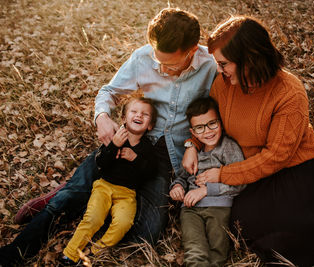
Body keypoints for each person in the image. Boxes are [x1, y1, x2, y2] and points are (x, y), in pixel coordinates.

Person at [0, 7, 217, 266]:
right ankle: (19, 246)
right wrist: (102, 117)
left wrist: (193, 143)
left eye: (169, 65)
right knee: (67, 199)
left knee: (146, 233)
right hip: (129, 141)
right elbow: (109, 92)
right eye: (157, 61)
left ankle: (85, 200)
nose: (161, 67)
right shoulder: (143, 57)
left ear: (192, 51)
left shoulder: (210, 66)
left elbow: (214, 117)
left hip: (164, 158)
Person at [182, 16, 314, 266]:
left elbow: (276, 156)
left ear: (248, 59)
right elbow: (209, 122)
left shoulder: (289, 91)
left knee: (288, 236)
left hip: (291, 167)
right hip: (246, 164)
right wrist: (193, 145)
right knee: (235, 219)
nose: (219, 70)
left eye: (224, 63)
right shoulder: (223, 84)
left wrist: (223, 174)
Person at [62, 97, 157, 264]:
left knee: (123, 223)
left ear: (150, 125)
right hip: (104, 186)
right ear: (123, 119)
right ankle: (70, 253)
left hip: (127, 194)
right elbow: (100, 163)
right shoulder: (116, 137)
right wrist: (114, 145)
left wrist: (135, 158)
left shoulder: (147, 147)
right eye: (134, 112)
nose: (139, 115)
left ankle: (95, 251)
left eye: (145, 114)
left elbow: (150, 173)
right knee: (93, 218)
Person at [169, 97, 245, 266]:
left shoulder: (228, 147)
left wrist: (206, 190)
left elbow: (239, 182)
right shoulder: (193, 152)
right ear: (193, 132)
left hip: (219, 208)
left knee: (218, 250)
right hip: (190, 209)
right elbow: (182, 175)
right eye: (200, 128)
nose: (208, 131)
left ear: (221, 122)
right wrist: (177, 186)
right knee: (194, 247)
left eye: (212, 123)